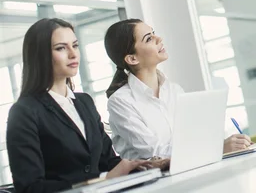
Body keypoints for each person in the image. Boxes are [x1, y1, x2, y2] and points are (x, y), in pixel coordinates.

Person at [6, 18, 152, 193]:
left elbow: (108, 161)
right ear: (40, 55)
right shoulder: (24, 112)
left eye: (74, 45)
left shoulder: (84, 102)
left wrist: (147, 165)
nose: (73, 54)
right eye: (61, 48)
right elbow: (30, 187)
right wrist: (103, 180)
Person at [105, 19, 251, 160]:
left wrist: (225, 143)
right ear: (132, 59)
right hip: (155, 181)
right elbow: (154, 152)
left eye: (153, 32)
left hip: (192, 169)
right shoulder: (120, 102)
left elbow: (194, 136)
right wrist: (218, 147)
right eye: (149, 38)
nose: (159, 38)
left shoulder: (174, 90)